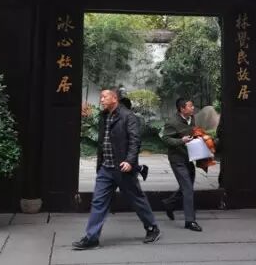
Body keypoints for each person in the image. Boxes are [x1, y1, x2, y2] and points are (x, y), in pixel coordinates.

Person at [72, 89, 161, 250]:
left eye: (104, 97)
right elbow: (103, 142)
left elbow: (135, 141)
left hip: (122, 168)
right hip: (106, 168)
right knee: (98, 201)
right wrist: (100, 164)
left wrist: (130, 161)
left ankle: (152, 227)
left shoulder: (128, 116)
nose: (101, 100)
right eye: (100, 97)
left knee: (136, 198)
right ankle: (92, 238)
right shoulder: (104, 116)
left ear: (114, 98)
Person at [161, 98, 202, 232]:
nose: (193, 108)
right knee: (188, 188)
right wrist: (181, 141)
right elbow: (165, 139)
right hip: (177, 160)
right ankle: (190, 221)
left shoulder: (192, 118)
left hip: (189, 158)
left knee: (187, 186)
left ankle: (169, 203)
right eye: (190, 106)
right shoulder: (172, 122)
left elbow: (193, 132)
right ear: (182, 109)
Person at [119, 96, 149, 181]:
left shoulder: (132, 118)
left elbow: (135, 137)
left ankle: (141, 169)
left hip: (131, 146)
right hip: (126, 146)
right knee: (125, 165)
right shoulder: (124, 117)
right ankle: (141, 169)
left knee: (128, 167)